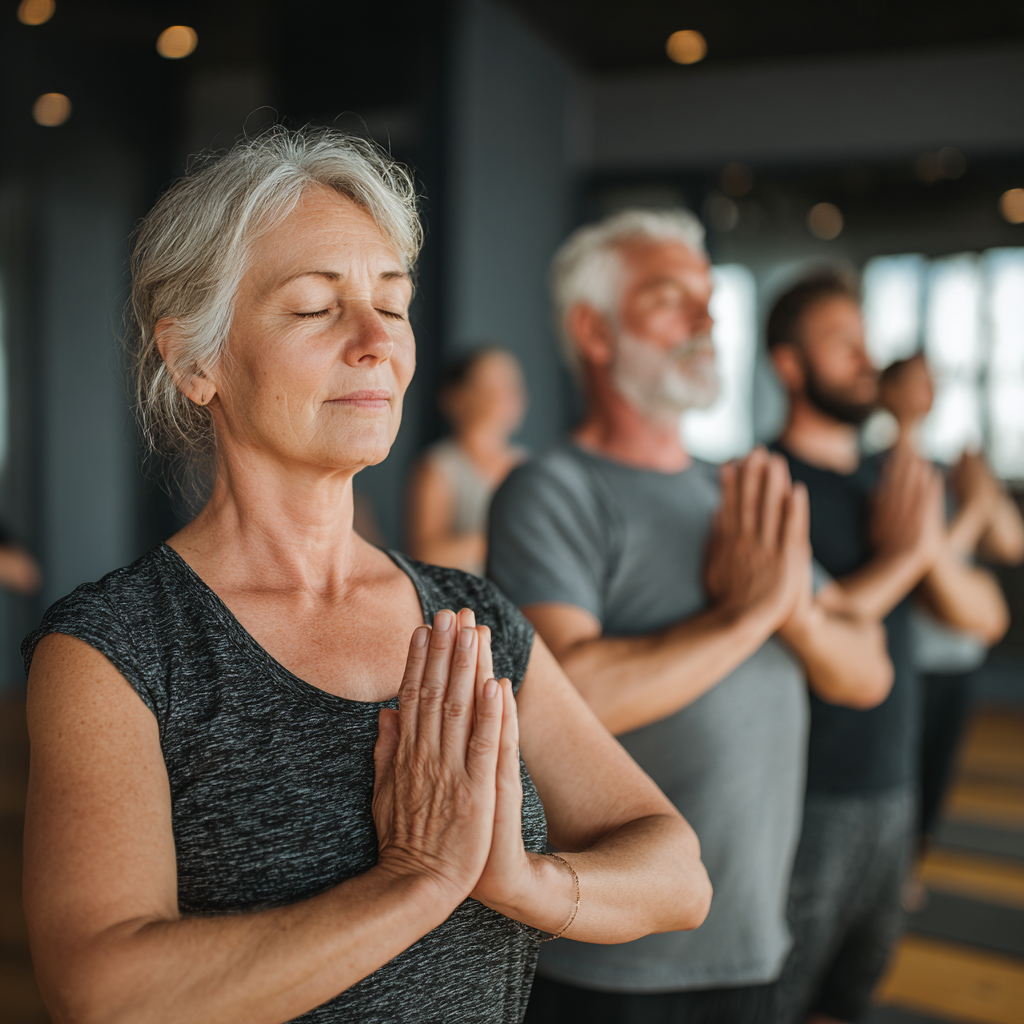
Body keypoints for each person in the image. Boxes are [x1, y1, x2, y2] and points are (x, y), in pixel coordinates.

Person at [21, 130, 712, 1024]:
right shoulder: (115, 652)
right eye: (315, 308)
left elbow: (676, 872)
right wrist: (417, 884)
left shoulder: (471, 617)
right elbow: (105, 993)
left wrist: (521, 881)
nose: (375, 340)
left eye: (394, 303)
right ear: (196, 361)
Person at [487, 209, 893, 1024]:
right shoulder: (554, 490)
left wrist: (794, 618)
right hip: (613, 962)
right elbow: (564, 699)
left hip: (750, 942)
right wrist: (747, 619)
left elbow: (867, 671)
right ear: (594, 332)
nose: (706, 320)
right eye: (671, 299)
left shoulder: (736, 487)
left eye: (708, 299)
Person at [766, 271, 1007, 1024]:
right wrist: (906, 558)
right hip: (808, 792)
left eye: (864, 341)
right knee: (781, 996)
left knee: (853, 995)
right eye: (841, 344)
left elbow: (984, 614)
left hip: (893, 784)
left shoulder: (889, 480)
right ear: (789, 365)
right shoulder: (765, 483)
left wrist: (926, 548)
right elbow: (807, 612)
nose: (866, 360)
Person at [879, 354, 1020, 845]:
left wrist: (987, 495)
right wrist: (974, 512)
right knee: (899, 777)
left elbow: (1010, 541)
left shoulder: (948, 470)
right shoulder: (881, 470)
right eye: (918, 381)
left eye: (933, 382)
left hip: (959, 652)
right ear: (887, 391)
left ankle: (909, 863)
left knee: (938, 774)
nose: (929, 391)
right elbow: (920, 564)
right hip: (907, 655)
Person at [406, 348, 527, 574]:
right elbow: (424, 554)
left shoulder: (527, 466)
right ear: (457, 397)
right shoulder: (438, 466)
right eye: (493, 384)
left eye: (513, 384)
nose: (509, 394)